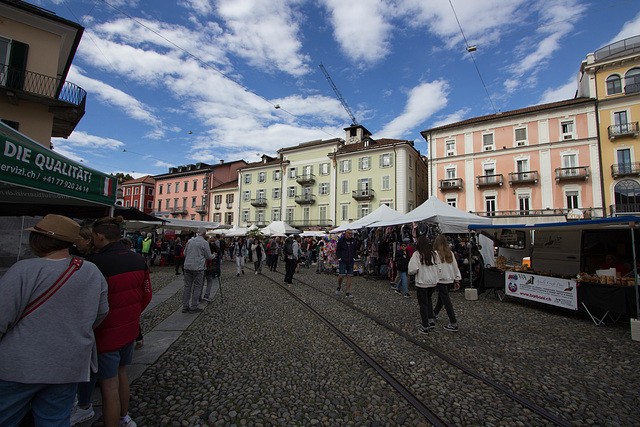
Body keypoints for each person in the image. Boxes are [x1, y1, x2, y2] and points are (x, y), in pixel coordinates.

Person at [0, 214, 109, 427]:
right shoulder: (91, 271)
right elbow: (101, 312)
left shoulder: (23, 270)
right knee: (55, 420)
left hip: (20, 365)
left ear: (38, 240)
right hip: (68, 363)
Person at [75, 216, 152, 427]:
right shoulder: (138, 260)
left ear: (99, 236)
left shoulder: (93, 264)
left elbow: (84, 301)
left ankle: (112, 420)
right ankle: (124, 417)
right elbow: (146, 295)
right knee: (121, 374)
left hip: (105, 332)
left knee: (108, 385)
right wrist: (132, 315)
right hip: (128, 328)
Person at [408, 236, 440, 334]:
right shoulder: (434, 254)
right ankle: (431, 320)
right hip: (433, 281)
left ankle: (425, 325)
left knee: (423, 303)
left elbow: (412, 269)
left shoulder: (417, 254)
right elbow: (439, 267)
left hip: (422, 281)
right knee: (429, 300)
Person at [182, 227, 215, 313]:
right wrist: (214, 255)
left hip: (187, 266)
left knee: (187, 286)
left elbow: (184, 253)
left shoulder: (190, 241)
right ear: (204, 234)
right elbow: (208, 256)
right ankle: (194, 306)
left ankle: (185, 306)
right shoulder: (204, 243)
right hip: (198, 267)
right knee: (197, 286)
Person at [433, 235, 461, 332]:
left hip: (441, 279)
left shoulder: (436, 254)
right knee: (442, 298)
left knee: (446, 300)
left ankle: (453, 322)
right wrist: (457, 279)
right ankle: (434, 313)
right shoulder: (450, 253)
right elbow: (455, 267)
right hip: (449, 278)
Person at [336, 229, 357, 298]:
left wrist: (354, 257)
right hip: (343, 260)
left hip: (350, 260)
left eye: (351, 233)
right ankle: (339, 286)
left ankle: (347, 292)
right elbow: (338, 249)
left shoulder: (353, 241)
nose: (350, 235)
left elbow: (355, 250)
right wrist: (339, 257)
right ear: (346, 233)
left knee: (349, 276)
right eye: (349, 233)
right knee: (341, 275)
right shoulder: (341, 240)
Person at [202, 236, 220, 302]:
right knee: (209, 280)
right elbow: (210, 256)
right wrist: (214, 255)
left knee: (201, 282)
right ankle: (206, 295)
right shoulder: (209, 245)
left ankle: (199, 296)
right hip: (208, 265)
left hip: (202, 265)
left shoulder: (200, 245)